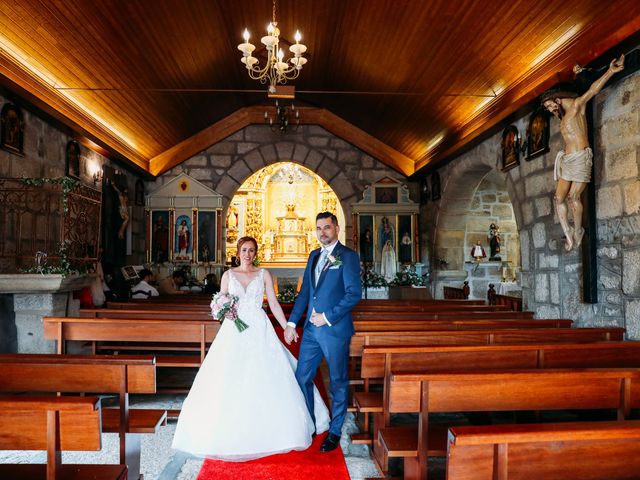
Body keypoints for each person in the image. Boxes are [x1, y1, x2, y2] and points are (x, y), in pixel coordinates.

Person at [172, 236, 329, 460]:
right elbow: (221, 303)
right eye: (244, 250)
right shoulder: (228, 275)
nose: (248, 254)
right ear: (238, 252)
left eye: (252, 251)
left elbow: (273, 303)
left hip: (259, 327)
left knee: (265, 372)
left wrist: (287, 327)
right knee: (230, 374)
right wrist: (226, 312)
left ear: (256, 253)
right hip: (234, 330)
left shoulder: (264, 274)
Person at [285, 212, 362, 452]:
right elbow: (306, 293)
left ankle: (336, 430)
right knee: (302, 377)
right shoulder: (314, 255)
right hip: (310, 330)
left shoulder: (347, 257)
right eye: (319, 228)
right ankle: (309, 421)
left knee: (338, 380)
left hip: (334, 330)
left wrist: (328, 317)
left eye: (327, 227)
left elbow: (354, 294)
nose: (322, 232)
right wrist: (291, 322)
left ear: (336, 229)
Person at [542, 54, 625, 251]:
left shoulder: (577, 106)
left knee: (573, 197)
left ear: (558, 99)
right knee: (557, 199)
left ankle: (578, 230)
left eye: (549, 104)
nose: (550, 108)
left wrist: (610, 71)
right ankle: (568, 233)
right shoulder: (562, 118)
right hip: (568, 160)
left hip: (580, 157)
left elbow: (593, 89)